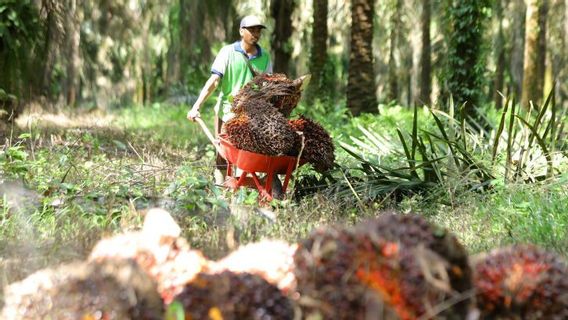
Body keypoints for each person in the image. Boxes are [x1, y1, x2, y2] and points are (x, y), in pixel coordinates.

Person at [187, 15, 282, 197]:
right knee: (223, 155)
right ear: (241, 31)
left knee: (247, 156)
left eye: (258, 30)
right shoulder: (228, 52)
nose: (255, 34)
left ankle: (243, 188)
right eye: (251, 30)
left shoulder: (265, 57)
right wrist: (196, 105)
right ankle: (219, 191)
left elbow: (268, 86)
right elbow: (214, 82)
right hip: (227, 112)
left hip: (253, 116)